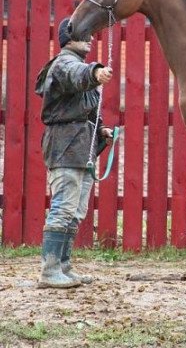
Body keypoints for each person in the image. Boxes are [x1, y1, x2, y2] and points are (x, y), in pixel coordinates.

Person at [34, 18, 114, 288]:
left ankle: (64, 267)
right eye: (84, 35)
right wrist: (95, 72)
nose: (90, 39)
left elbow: (88, 107)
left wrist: (101, 129)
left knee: (75, 211)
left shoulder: (76, 65)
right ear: (68, 39)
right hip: (65, 144)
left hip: (82, 147)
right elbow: (77, 76)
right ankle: (49, 271)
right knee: (63, 208)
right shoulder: (64, 62)